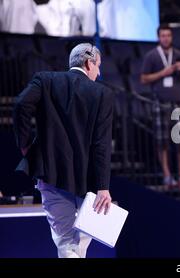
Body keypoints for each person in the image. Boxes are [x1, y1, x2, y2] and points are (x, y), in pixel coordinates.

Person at [13, 43, 114, 258]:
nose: (99, 72)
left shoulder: (45, 80)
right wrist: (103, 187)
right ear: (89, 63)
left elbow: (21, 104)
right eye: (98, 67)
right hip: (89, 181)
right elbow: (101, 143)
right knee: (79, 245)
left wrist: (24, 144)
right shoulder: (102, 93)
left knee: (67, 244)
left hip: (51, 174)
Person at [141, 24, 180, 190]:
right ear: (158, 37)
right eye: (163, 36)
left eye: (168, 35)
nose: (166, 38)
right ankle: (167, 176)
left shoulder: (179, 55)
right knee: (162, 141)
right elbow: (144, 79)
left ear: (172, 37)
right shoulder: (152, 56)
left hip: (178, 102)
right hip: (159, 102)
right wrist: (164, 72)